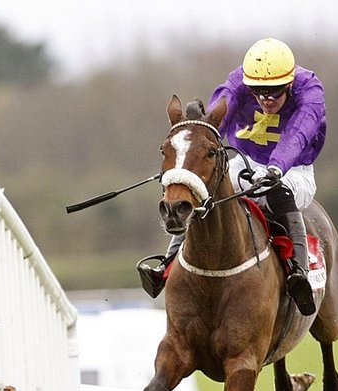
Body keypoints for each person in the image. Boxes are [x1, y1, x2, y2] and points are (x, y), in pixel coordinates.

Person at [138, 38, 324, 316]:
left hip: (294, 168)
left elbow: (298, 134)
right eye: (258, 92)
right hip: (247, 161)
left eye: (274, 92)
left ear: (289, 83)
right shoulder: (239, 81)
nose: (266, 99)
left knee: (277, 189)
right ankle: (166, 265)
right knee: (201, 188)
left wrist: (276, 168)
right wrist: (192, 155)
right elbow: (215, 122)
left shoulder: (309, 90)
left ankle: (299, 271)